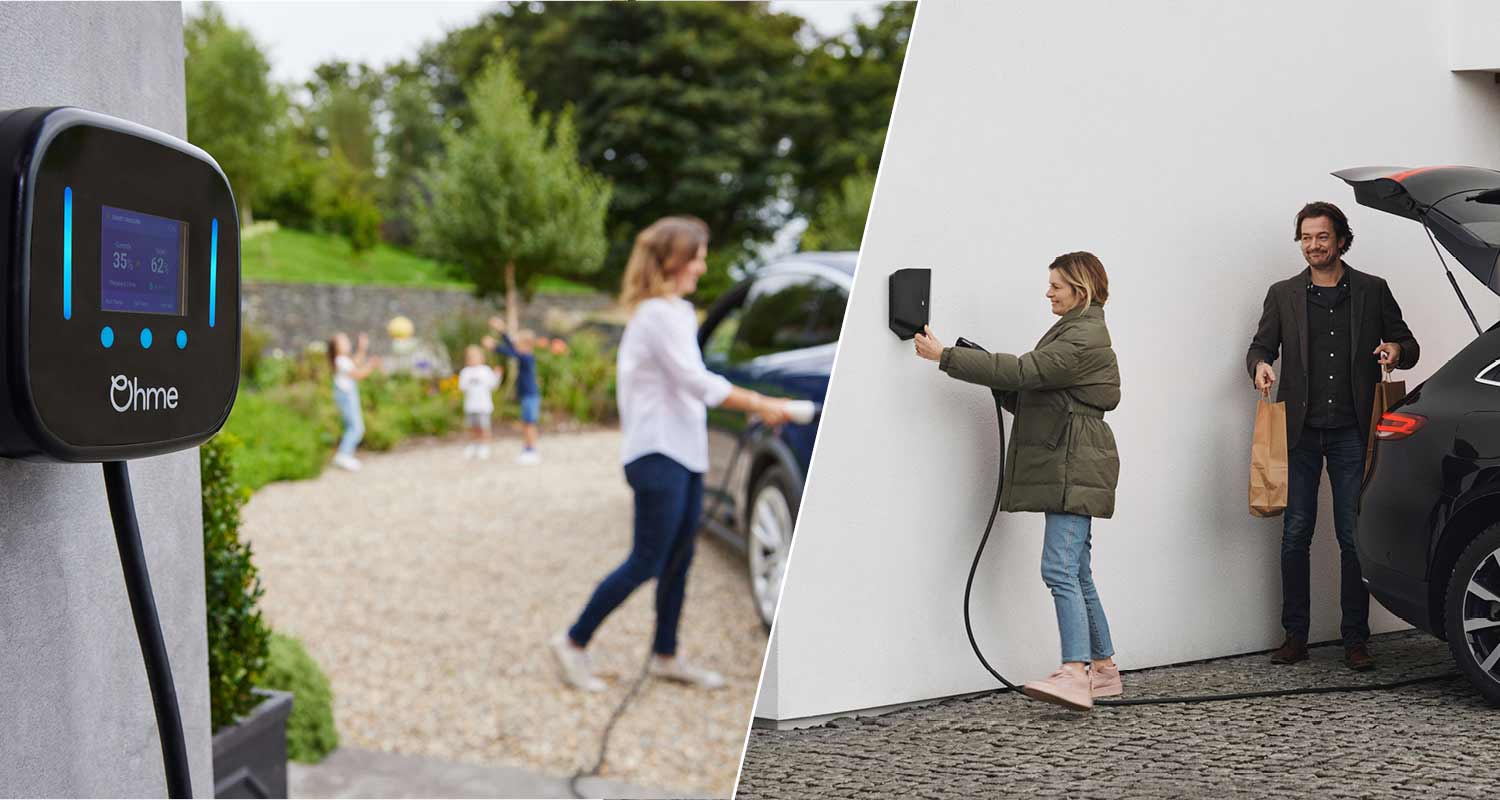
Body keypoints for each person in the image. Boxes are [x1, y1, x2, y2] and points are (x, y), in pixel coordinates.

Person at [550, 215, 802, 693]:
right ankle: (573, 641)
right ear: (673, 260)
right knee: (647, 558)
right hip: (657, 453)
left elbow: (688, 385)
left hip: (685, 453)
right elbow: (695, 382)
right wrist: (760, 403)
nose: (703, 267)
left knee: (679, 558)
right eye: (698, 256)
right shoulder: (657, 317)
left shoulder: (679, 313)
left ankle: (666, 655)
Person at [914, 251, 1122, 712]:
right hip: (1074, 459)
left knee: (1058, 569)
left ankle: (1074, 672)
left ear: (1081, 289)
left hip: (1076, 463)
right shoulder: (1074, 330)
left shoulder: (1083, 335)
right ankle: (1103, 671)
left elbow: (1028, 371)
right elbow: (1037, 395)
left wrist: (946, 357)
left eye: (1057, 285)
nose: (1048, 292)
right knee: (1077, 571)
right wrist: (985, 369)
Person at [1246, 201, 1420, 671]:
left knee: (1351, 536)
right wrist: (1261, 365)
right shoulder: (1282, 294)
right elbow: (1262, 345)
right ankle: (1294, 636)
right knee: (1295, 533)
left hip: (1352, 432)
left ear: (1341, 239)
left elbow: (1410, 344)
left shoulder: (1371, 290)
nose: (1313, 246)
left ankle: (1356, 641)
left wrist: (1394, 349)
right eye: (1305, 237)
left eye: (1322, 237)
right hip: (1299, 432)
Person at [483, 266, 543, 465]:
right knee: (526, 423)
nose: (516, 345)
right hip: (527, 395)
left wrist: (495, 345)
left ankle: (531, 449)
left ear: (526, 345)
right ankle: (528, 448)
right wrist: (501, 331)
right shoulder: (524, 355)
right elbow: (512, 347)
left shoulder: (527, 358)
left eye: (519, 343)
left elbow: (511, 352)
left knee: (529, 423)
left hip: (530, 396)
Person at [328, 332, 378, 472]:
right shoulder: (341, 361)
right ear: (336, 348)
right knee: (356, 428)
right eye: (343, 341)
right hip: (347, 398)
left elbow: (356, 362)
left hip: (349, 397)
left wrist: (362, 348)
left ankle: (346, 455)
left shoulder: (344, 360)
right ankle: (343, 455)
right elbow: (358, 374)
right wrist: (371, 365)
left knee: (355, 427)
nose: (347, 343)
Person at [457, 345, 503, 460]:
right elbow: (462, 387)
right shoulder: (465, 372)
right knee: (472, 426)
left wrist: (498, 375)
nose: (473, 359)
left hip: (483, 406)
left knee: (484, 426)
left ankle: (484, 445)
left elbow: (493, 385)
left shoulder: (485, 371)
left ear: (482, 358)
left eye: (476, 357)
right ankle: (474, 444)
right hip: (470, 406)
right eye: (471, 357)